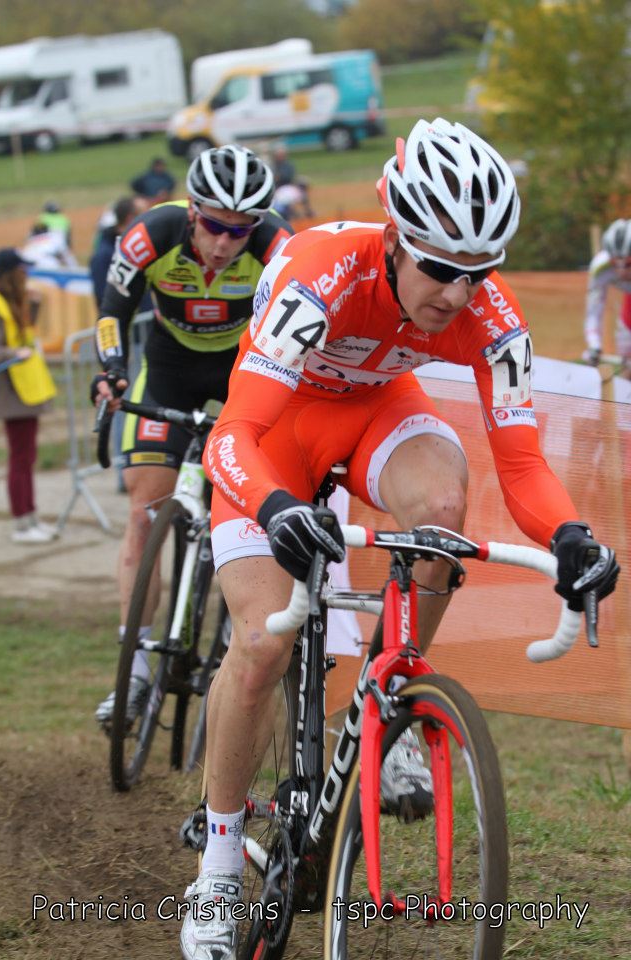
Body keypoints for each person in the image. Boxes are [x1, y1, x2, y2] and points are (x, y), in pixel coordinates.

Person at [179, 117, 620, 960]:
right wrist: (275, 508)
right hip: (272, 432)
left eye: (478, 271)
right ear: (396, 236)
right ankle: (220, 865)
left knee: (444, 504)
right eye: (441, 269)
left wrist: (569, 533)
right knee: (260, 644)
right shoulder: (321, 273)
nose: (457, 294)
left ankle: (392, 700)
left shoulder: (493, 316)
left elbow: (521, 464)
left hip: (377, 413)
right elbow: (232, 433)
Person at [91, 145, 294, 730]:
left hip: (244, 372)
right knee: (144, 510)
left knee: (253, 514)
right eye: (213, 225)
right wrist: (109, 368)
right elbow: (112, 310)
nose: (226, 241)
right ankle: (132, 671)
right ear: (191, 211)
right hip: (169, 369)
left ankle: (236, 635)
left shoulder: (277, 248)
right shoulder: (150, 233)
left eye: (241, 229)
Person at [0, 248, 58, 544]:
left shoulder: (11, 301)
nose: (26, 275)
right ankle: (22, 523)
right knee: (20, 459)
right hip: (11, 391)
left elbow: (25, 332)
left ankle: (30, 516)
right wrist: (13, 354)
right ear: (9, 274)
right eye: (22, 270)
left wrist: (33, 306)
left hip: (26, 389)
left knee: (26, 457)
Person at [583, 217, 631, 377]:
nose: (622, 271)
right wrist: (594, 346)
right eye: (615, 263)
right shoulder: (600, 268)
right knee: (628, 366)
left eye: (628, 264)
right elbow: (593, 312)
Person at [89, 196, 146, 308]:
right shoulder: (104, 255)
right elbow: (103, 296)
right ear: (130, 218)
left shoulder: (139, 248)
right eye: (143, 215)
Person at [271, 142, 313, 219]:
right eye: (279, 154)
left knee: (301, 187)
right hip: (279, 189)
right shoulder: (273, 166)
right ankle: (292, 214)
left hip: (289, 187)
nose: (281, 156)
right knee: (284, 199)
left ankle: (308, 212)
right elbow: (274, 180)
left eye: (282, 154)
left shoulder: (289, 165)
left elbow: (289, 177)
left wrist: (280, 177)